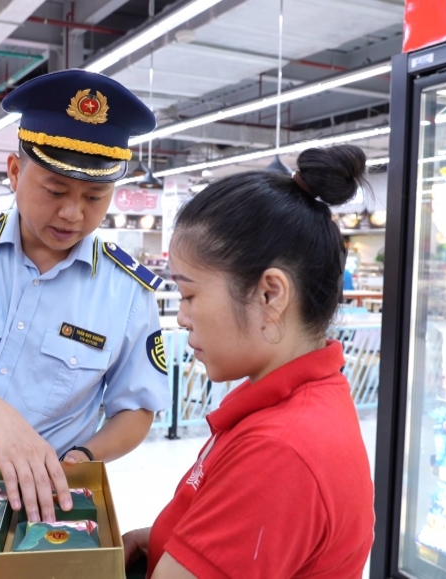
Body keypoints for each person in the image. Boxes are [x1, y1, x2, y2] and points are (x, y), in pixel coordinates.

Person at [0, 69, 170, 524]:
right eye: (55, 190)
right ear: (14, 171)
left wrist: (84, 456)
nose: (72, 213)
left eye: (95, 196)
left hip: (45, 511)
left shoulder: (126, 290)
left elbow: (136, 408)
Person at [124, 145, 375, 578]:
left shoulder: (279, 453)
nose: (182, 317)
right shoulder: (296, 405)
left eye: (189, 295)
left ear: (269, 294)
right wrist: (170, 537)